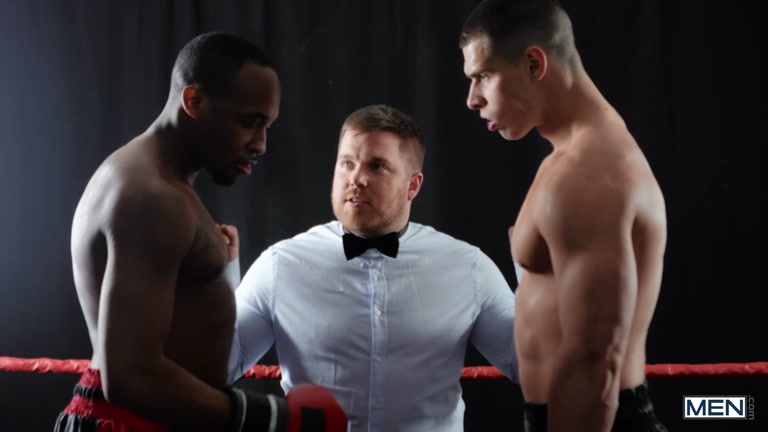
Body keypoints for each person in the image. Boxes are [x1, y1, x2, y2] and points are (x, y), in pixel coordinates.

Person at [55, 31, 346, 431]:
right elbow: (130, 376)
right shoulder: (152, 196)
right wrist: (273, 419)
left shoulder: (155, 183)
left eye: (267, 126)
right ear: (193, 101)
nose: (261, 144)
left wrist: (217, 270)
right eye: (250, 122)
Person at [227, 104, 518, 432]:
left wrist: (533, 274)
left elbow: (529, 367)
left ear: (413, 186)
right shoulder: (281, 265)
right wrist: (216, 282)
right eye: (347, 163)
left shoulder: (468, 268)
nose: (357, 178)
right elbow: (219, 367)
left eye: (377, 166)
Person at [459, 1, 668, 431]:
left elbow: (596, 361)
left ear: (535, 63)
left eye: (483, 75)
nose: (472, 98)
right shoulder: (567, 158)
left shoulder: (589, 173)